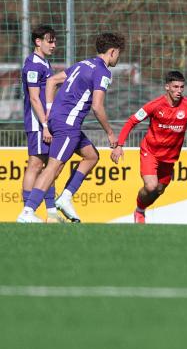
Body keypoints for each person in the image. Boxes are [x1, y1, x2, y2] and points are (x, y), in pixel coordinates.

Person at [17, 32, 125, 223]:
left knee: (92, 156)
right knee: (52, 167)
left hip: (59, 120)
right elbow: (97, 106)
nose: (118, 57)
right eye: (119, 54)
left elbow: (52, 81)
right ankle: (27, 212)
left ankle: (65, 198)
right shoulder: (103, 71)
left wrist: (50, 110)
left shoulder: (83, 63)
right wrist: (110, 133)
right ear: (113, 51)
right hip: (68, 124)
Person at [113, 71, 187, 223]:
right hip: (150, 152)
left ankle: (141, 208)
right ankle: (139, 210)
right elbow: (131, 121)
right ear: (167, 87)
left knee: (159, 190)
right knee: (151, 186)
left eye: (182, 87)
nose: (179, 91)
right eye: (175, 87)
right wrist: (119, 145)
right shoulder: (155, 105)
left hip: (169, 158)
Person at [21, 25, 59, 222]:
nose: (54, 45)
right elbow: (35, 98)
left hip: (45, 122)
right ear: (38, 42)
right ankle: (27, 212)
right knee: (35, 164)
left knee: (48, 165)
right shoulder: (33, 65)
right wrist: (44, 124)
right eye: (49, 41)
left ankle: (51, 211)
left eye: (54, 41)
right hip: (37, 124)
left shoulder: (44, 63)